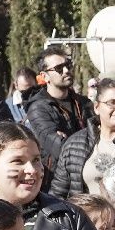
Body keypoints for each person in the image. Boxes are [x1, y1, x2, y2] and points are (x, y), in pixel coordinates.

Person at [23, 45, 93, 173]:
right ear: (45, 76)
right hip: (57, 182)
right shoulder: (38, 108)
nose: (66, 70)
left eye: (68, 65)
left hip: (88, 174)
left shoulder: (84, 103)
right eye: (59, 68)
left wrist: (69, 139)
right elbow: (60, 149)